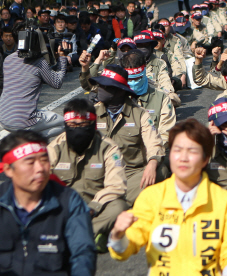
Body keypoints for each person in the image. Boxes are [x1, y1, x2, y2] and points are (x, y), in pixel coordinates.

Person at [108, 119, 227, 275]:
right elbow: (128, 246)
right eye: (177, 150)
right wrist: (118, 235)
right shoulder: (151, 197)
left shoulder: (226, 203)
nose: (183, 157)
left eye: (192, 151)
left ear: (205, 159)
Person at [0, 130, 96, 275]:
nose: (40, 168)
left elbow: (83, 253)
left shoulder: (68, 200)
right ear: (8, 169)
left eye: (44, 160)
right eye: (30, 162)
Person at [48, 99, 128, 250]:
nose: (77, 129)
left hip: (95, 208)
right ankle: (90, 236)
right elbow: (41, 181)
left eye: (83, 125)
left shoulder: (108, 147)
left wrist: (92, 207)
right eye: (72, 125)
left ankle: (72, 236)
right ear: (65, 125)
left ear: (93, 124)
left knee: (120, 207)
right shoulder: (55, 148)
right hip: (64, 208)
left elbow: (116, 186)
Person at [88, 64, 165, 205]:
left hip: (130, 174)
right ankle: (113, 202)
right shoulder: (92, 113)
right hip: (99, 172)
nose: (99, 89)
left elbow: (153, 142)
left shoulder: (140, 114)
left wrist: (152, 163)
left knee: (162, 169)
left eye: (105, 86)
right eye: (100, 85)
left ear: (118, 91)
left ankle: (109, 203)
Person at [0, 23, 69, 138]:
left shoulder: (8, 60)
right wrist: (62, 58)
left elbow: (31, 73)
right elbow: (57, 83)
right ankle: (28, 139)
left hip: (4, 117)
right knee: (65, 124)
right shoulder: (38, 62)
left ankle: (8, 136)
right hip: (24, 121)